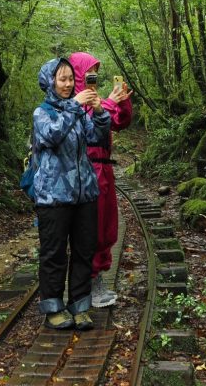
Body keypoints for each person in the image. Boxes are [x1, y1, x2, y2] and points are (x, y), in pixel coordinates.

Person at [31, 56, 112, 330]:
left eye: (69, 79)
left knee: (83, 251)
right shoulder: (42, 113)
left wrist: (100, 112)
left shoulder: (77, 112)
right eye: (61, 79)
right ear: (50, 82)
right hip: (53, 197)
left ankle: (80, 306)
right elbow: (51, 136)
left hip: (84, 194)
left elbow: (96, 137)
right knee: (53, 253)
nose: (67, 84)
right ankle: (53, 307)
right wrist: (74, 107)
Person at [69, 52, 133, 308]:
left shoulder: (96, 100)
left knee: (107, 226)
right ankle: (90, 283)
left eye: (96, 71)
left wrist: (123, 101)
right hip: (87, 171)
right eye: (89, 72)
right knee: (91, 228)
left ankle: (99, 278)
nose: (92, 77)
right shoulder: (71, 102)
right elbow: (80, 126)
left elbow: (119, 122)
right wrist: (107, 103)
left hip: (104, 170)